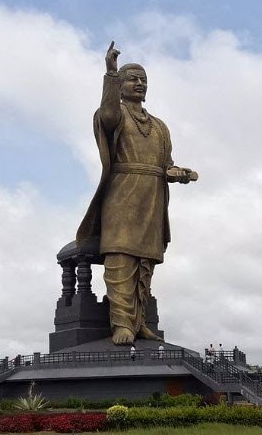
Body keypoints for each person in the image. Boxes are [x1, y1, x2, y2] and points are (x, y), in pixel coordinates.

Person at [76, 41, 197, 345]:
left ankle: (139, 321)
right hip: (122, 193)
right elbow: (106, 116)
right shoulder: (116, 115)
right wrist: (110, 74)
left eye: (144, 79)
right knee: (120, 258)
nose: (140, 83)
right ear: (120, 87)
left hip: (153, 198)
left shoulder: (159, 126)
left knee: (145, 263)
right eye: (133, 79)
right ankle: (121, 323)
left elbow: (166, 164)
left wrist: (178, 173)